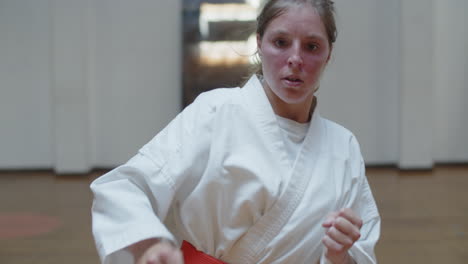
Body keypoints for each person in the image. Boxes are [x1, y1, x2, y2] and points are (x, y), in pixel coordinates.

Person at [90, 0, 381, 263]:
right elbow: (125, 187)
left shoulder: (344, 147)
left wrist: (339, 255)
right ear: (258, 43)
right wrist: (149, 246)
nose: (295, 58)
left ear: (328, 55)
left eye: (312, 46)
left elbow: (362, 251)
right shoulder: (215, 112)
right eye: (281, 42)